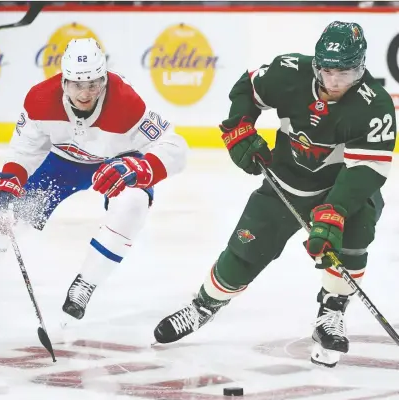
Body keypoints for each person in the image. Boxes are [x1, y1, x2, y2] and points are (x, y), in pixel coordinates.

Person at [153, 21, 396, 368]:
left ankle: (332, 309)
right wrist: (239, 126)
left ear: (361, 67)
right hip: (285, 184)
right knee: (244, 253)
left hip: (340, 189)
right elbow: (247, 90)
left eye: (345, 73)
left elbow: (367, 170)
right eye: (327, 72)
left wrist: (335, 210)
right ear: (316, 65)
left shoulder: (374, 106)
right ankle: (204, 306)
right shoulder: (289, 72)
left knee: (354, 237)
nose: (334, 83)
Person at [0, 38, 188, 320]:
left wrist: (138, 168)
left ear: (104, 79)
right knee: (12, 215)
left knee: (134, 203)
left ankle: (86, 283)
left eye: (93, 83)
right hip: (63, 163)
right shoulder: (40, 99)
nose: (86, 93)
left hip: (116, 163)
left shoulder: (126, 102)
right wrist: (8, 185)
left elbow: (175, 146)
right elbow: (24, 152)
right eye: (78, 84)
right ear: (63, 81)